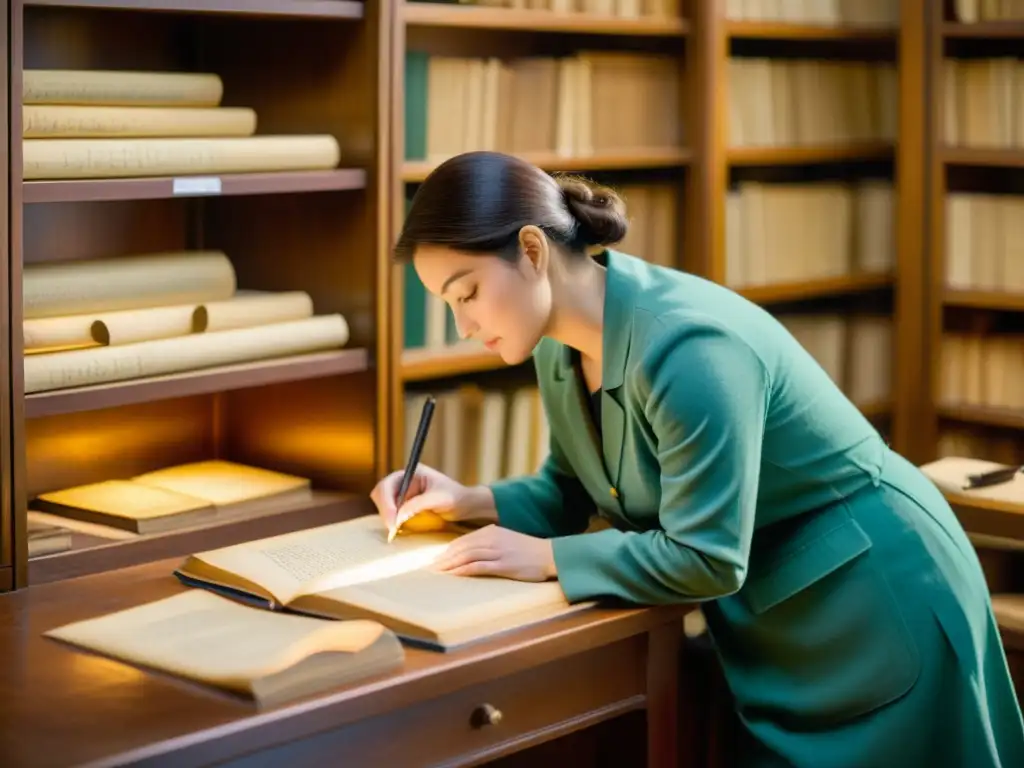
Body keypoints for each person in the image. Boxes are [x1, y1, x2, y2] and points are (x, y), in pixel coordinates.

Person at [370, 150, 1024, 767]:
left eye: (467, 292)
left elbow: (707, 553)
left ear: (532, 250)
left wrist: (548, 559)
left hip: (876, 596)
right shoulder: (555, 349)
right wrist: (467, 501)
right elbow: (574, 491)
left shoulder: (688, 348)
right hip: (779, 615)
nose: (462, 324)